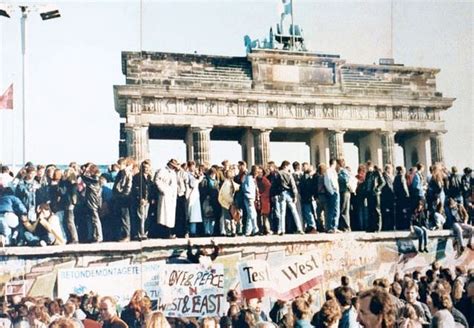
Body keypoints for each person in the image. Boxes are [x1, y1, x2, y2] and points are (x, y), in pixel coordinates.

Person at [276, 160, 303, 235]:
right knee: (294, 211)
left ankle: (282, 230)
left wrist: (275, 194)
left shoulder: (278, 173)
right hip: (289, 194)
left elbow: (275, 185)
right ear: (285, 166)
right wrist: (295, 195)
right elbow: (293, 185)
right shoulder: (289, 174)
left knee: (282, 212)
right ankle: (299, 228)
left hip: (281, 193)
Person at [154, 159, 180, 239]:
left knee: (170, 215)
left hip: (172, 196)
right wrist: (163, 190)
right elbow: (157, 180)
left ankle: (170, 232)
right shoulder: (162, 170)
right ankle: (166, 233)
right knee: (164, 215)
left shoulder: (173, 172)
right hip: (165, 195)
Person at [130, 160, 153, 241]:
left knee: (146, 217)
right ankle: (141, 233)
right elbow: (136, 189)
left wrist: (150, 198)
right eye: (144, 167)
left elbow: (150, 188)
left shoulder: (149, 177)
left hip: (148, 200)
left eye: (147, 167)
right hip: (141, 200)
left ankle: (145, 232)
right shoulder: (137, 177)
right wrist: (140, 198)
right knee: (141, 217)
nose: (146, 169)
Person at [81, 164, 103, 243]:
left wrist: (85, 170)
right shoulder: (97, 179)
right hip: (95, 201)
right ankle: (95, 235)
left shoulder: (94, 180)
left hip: (92, 202)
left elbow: (83, 177)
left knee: (95, 220)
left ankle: (98, 236)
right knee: (93, 220)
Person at [364, 162, 386, 232]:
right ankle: (371, 227)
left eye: (368, 167)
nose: (367, 169)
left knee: (377, 210)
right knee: (370, 210)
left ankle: (377, 227)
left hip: (375, 194)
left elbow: (383, 182)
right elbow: (366, 183)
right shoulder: (367, 174)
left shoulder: (377, 173)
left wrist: (377, 189)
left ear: (371, 166)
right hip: (369, 194)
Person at [242, 165, 259, 236]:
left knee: (250, 215)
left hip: (251, 198)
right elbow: (246, 189)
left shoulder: (251, 178)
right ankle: (255, 229)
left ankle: (248, 231)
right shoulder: (249, 178)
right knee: (253, 214)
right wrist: (249, 198)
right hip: (249, 198)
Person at [324, 159, 340, 233]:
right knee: (332, 210)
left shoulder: (334, 172)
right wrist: (331, 192)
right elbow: (327, 182)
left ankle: (334, 226)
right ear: (334, 163)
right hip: (333, 192)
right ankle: (330, 227)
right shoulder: (328, 171)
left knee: (336, 210)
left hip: (336, 191)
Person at [381, 164, 395, 231]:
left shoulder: (387, 176)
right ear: (388, 169)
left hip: (388, 197)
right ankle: (388, 226)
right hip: (387, 197)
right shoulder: (385, 176)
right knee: (387, 212)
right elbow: (389, 187)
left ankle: (389, 226)